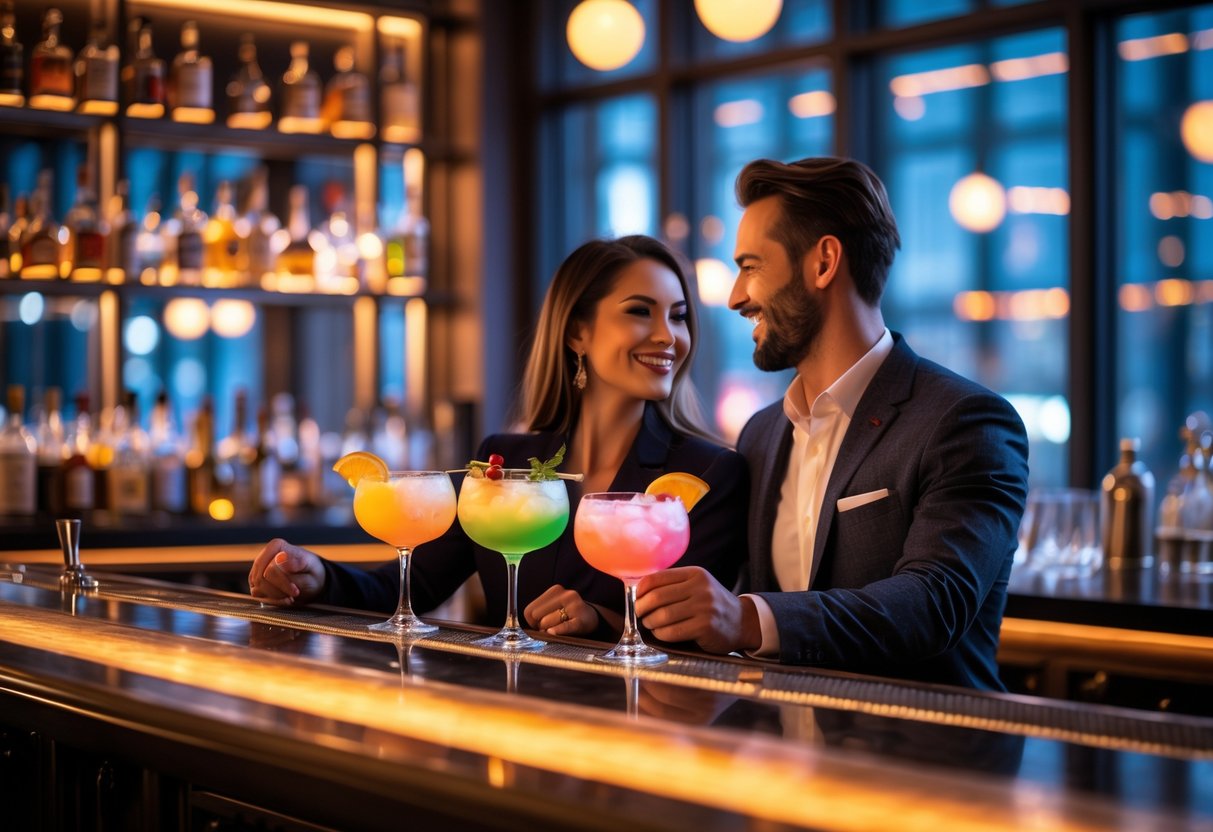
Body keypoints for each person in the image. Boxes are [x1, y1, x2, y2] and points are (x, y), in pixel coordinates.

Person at [633, 157, 1029, 690]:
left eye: (751, 266)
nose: (735, 296)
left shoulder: (964, 422)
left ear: (823, 262)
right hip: (782, 758)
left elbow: (934, 602)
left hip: (928, 757)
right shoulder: (760, 434)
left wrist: (746, 619)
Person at [248, 235, 747, 640]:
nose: (668, 335)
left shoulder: (703, 478)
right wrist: (315, 576)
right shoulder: (501, 461)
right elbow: (411, 586)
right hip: (506, 719)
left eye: (678, 316)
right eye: (640, 311)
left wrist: (599, 619)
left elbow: (691, 630)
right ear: (577, 333)